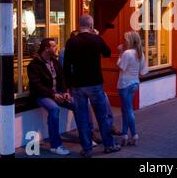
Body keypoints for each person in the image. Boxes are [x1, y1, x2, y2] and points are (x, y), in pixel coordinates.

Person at [63, 14, 121, 157]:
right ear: (91, 25)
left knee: (82, 118)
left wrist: (68, 86)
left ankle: (87, 149)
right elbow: (107, 53)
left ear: (79, 25)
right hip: (95, 83)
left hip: (77, 85)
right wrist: (98, 36)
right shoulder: (96, 39)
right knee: (102, 116)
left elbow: (66, 65)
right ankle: (109, 145)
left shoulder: (71, 41)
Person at [27, 38, 74, 155]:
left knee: (77, 104)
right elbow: (37, 86)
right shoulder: (34, 65)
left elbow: (62, 78)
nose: (56, 47)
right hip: (42, 95)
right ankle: (56, 145)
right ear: (46, 49)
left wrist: (65, 91)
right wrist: (53, 95)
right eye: (53, 46)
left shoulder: (55, 61)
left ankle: (87, 137)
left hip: (57, 92)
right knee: (54, 109)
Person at [117, 31, 148, 146]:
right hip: (135, 83)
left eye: (125, 39)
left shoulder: (127, 53)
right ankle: (124, 134)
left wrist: (120, 53)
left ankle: (134, 133)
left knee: (128, 110)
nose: (123, 41)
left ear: (130, 41)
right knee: (126, 109)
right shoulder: (140, 53)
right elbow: (143, 72)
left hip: (124, 84)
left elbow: (121, 67)